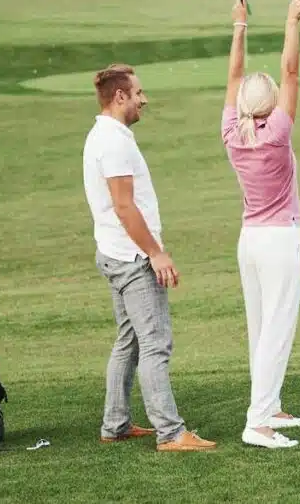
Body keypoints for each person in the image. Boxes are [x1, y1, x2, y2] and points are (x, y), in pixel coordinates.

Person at [83, 63, 216, 452]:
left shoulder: (104, 135)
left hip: (113, 254)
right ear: (120, 96)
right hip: (132, 259)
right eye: (138, 92)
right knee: (155, 343)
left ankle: (115, 424)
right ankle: (171, 433)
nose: (144, 99)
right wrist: (156, 254)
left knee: (129, 341)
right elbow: (124, 208)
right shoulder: (114, 141)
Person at [220, 0, 300, 449]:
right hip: (279, 242)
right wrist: (292, 20)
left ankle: (271, 404)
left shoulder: (230, 131)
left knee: (261, 326)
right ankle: (258, 423)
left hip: (250, 243)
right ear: (270, 103)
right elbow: (291, 68)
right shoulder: (277, 131)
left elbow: (235, 72)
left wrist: (240, 23)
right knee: (277, 328)